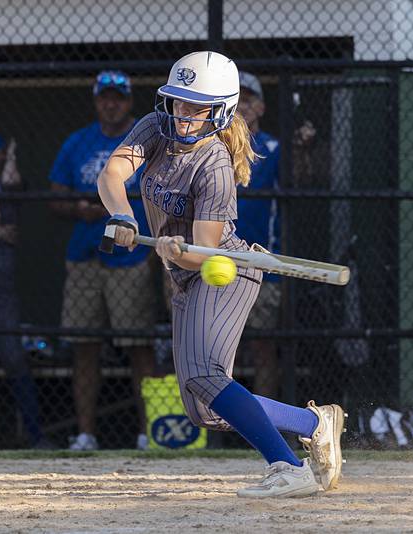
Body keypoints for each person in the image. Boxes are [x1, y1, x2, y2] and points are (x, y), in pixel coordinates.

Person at [97, 51, 345, 497]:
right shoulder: (155, 129)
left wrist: (178, 249)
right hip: (186, 275)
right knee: (205, 411)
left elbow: (205, 251)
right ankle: (313, 423)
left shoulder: (214, 166)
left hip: (225, 271)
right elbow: (113, 173)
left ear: (221, 111)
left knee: (204, 375)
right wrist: (124, 216)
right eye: (178, 102)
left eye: (196, 107)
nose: (184, 115)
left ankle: (289, 467)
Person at [49, 70, 155, 451]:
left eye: (119, 98)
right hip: (84, 256)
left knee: (138, 345)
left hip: (132, 255)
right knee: (84, 346)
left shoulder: (143, 142)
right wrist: (79, 208)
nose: (111, 104)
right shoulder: (77, 142)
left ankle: (149, 432)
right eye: (105, 97)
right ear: (96, 101)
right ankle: (85, 434)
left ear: (129, 101)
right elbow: (55, 194)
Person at [0, 125, 45, 447]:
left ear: (2, 154)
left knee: (14, 357)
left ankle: (33, 435)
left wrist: (11, 162)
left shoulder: (8, 184)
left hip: (1, 287)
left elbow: (9, 224)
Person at [235, 72, 282, 398]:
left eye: (248, 99)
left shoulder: (275, 148)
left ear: (261, 107)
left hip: (262, 261)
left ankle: (264, 423)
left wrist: (305, 147)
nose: (241, 106)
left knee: (263, 347)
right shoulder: (211, 146)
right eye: (235, 99)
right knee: (219, 349)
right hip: (217, 259)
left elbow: (305, 175)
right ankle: (219, 427)